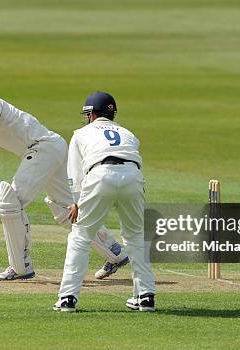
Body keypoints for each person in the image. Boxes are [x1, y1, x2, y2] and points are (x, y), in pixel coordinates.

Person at [0, 70, 129, 281]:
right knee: (66, 211)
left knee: (10, 203)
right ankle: (115, 252)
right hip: (50, 148)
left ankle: (20, 267)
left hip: (42, 148)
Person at [53, 92, 156, 312]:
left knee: (80, 236)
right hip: (133, 177)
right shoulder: (128, 133)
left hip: (100, 174)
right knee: (136, 236)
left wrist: (76, 202)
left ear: (91, 114)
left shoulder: (81, 133)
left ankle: (67, 298)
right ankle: (146, 296)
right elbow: (136, 162)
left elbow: (74, 174)